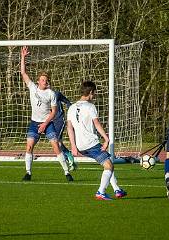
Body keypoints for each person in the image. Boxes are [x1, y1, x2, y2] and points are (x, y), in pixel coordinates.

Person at [20, 46, 73, 182]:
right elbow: (23, 73)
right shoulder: (32, 87)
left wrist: (44, 124)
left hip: (47, 123)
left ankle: (67, 172)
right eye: (43, 79)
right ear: (38, 81)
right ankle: (28, 172)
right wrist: (23, 57)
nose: (45, 81)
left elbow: (54, 111)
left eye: (46, 80)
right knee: (29, 146)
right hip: (34, 123)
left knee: (56, 146)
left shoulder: (51, 94)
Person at [67, 81, 127, 200]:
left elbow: (69, 128)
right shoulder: (90, 106)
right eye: (94, 93)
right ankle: (101, 192)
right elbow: (97, 124)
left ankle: (117, 190)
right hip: (91, 143)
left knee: (108, 161)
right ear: (90, 92)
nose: (94, 96)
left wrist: (73, 146)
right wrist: (106, 139)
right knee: (109, 165)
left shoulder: (71, 107)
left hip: (80, 145)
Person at [51, 89, 77, 171]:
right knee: (56, 143)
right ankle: (67, 157)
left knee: (57, 141)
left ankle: (68, 156)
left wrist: (71, 112)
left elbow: (67, 102)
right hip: (50, 121)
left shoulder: (56, 94)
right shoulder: (42, 95)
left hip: (59, 120)